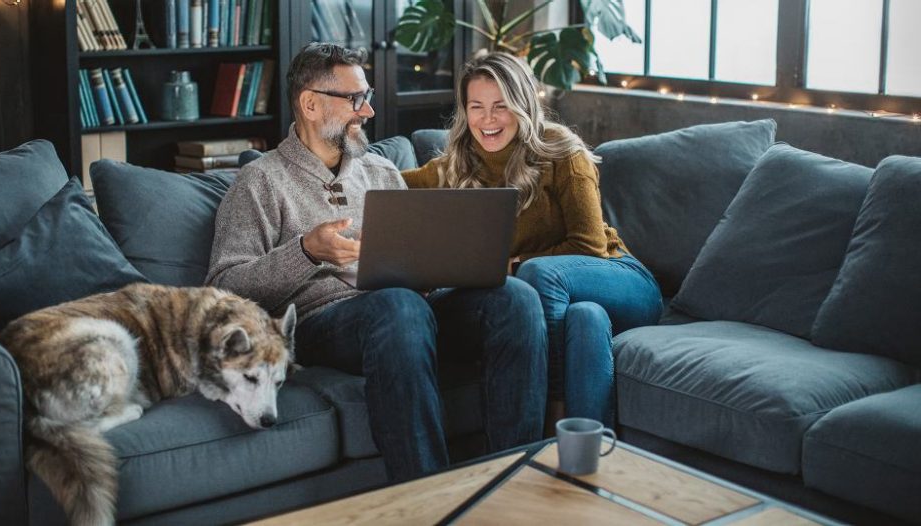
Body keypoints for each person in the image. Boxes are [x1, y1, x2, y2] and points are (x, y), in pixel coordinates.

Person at [206, 43, 547, 481]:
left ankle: (515, 480)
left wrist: (450, 268)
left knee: (515, 297)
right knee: (398, 306)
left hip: (408, 310)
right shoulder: (259, 182)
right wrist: (306, 252)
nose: (367, 112)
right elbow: (223, 287)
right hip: (324, 323)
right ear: (310, 103)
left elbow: (414, 264)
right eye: (355, 100)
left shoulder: (382, 172)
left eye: (366, 97)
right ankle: (426, 495)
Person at [402, 53, 662, 427]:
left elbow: (589, 246)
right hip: (573, 303)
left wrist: (514, 265)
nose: (487, 119)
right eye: (477, 107)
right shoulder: (456, 164)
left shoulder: (560, 150)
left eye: (501, 106)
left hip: (621, 279)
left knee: (540, 274)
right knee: (585, 320)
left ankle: (549, 414)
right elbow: (389, 186)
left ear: (522, 104)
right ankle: (586, 455)